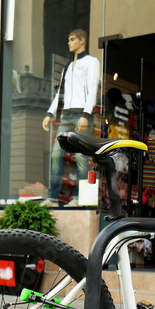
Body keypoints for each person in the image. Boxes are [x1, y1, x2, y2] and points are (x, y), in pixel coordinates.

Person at [42, 29, 100, 207]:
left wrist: (86, 113)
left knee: (81, 157)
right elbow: (60, 92)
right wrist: (50, 113)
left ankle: (78, 198)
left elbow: (92, 89)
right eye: (69, 39)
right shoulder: (68, 65)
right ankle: (53, 197)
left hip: (81, 114)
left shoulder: (92, 62)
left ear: (82, 41)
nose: (69, 42)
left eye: (72, 39)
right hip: (66, 114)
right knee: (56, 155)